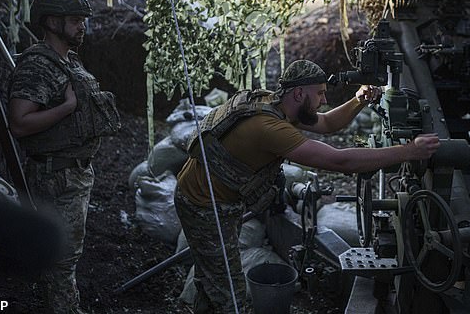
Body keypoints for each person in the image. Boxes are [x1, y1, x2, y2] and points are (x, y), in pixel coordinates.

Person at [174, 59, 440, 314]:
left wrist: (359, 100)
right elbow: (341, 160)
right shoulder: (270, 127)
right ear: (299, 93)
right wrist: (408, 152)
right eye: (320, 94)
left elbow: (326, 124)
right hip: (203, 205)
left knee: (212, 277)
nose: (324, 100)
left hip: (216, 198)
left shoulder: (276, 103)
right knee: (230, 293)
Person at [8, 0, 120, 314]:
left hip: (73, 173)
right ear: (52, 22)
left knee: (63, 257)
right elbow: (19, 122)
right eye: (75, 21)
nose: (82, 26)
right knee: (61, 259)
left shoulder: (66, 60)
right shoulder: (37, 67)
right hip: (56, 176)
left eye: (83, 20)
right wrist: (67, 107)